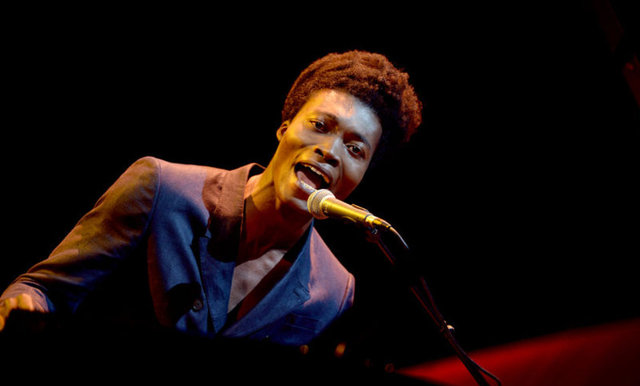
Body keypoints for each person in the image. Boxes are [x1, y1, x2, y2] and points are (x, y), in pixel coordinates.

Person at [0, 50, 422, 346]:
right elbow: (41, 289)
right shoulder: (161, 188)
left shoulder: (334, 290)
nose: (330, 151)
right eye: (320, 125)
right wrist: (27, 309)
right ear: (284, 127)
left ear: (361, 176)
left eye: (355, 149)